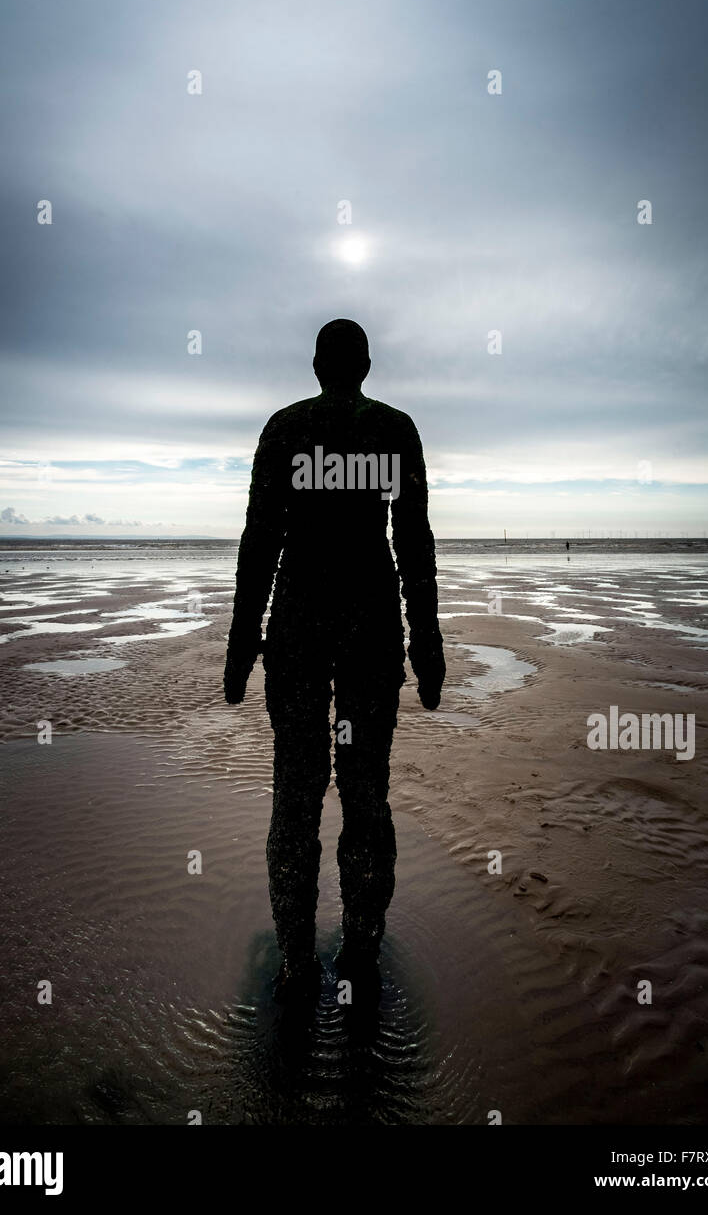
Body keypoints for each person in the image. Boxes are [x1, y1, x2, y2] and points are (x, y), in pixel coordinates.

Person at [223, 319, 445, 1001]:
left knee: (295, 795)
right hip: (369, 630)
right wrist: (425, 639)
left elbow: (259, 543)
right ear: (366, 366)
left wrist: (240, 644)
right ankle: (358, 952)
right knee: (363, 793)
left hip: (297, 629)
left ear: (318, 364)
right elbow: (414, 542)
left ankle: (296, 961)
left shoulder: (285, 429)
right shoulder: (393, 429)